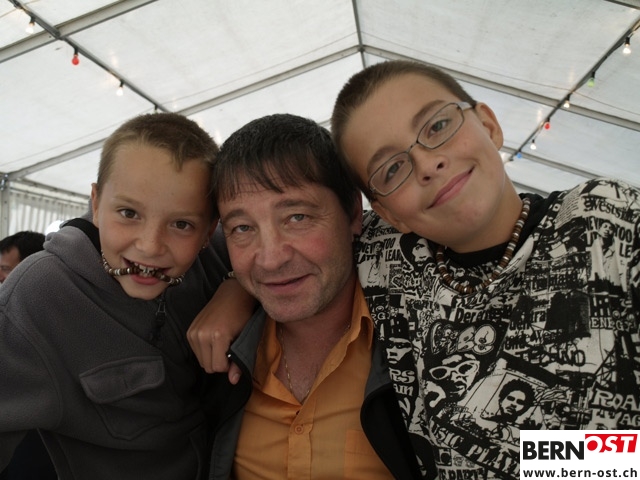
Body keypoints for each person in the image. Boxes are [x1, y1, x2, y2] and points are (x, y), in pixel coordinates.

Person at [329, 59, 640, 479]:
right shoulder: (387, 256)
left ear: (489, 125)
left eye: (437, 126)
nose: (427, 165)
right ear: (387, 213)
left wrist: (538, 459)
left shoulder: (605, 221)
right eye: (393, 169)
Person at [0, 112, 250, 480]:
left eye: (181, 224)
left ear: (209, 228)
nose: (150, 246)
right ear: (96, 202)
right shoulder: (39, 295)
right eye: (129, 213)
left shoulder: (217, 256)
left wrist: (239, 286)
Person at [201, 113, 432, 479]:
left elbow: (529, 445)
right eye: (242, 228)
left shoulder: (429, 331)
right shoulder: (209, 354)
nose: (271, 258)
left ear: (353, 213)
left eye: (297, 217)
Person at [0, 230, 56, 480]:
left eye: (5, 269)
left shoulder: (50, 316)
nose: (0, 276)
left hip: (34, 441)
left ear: (31, 268)